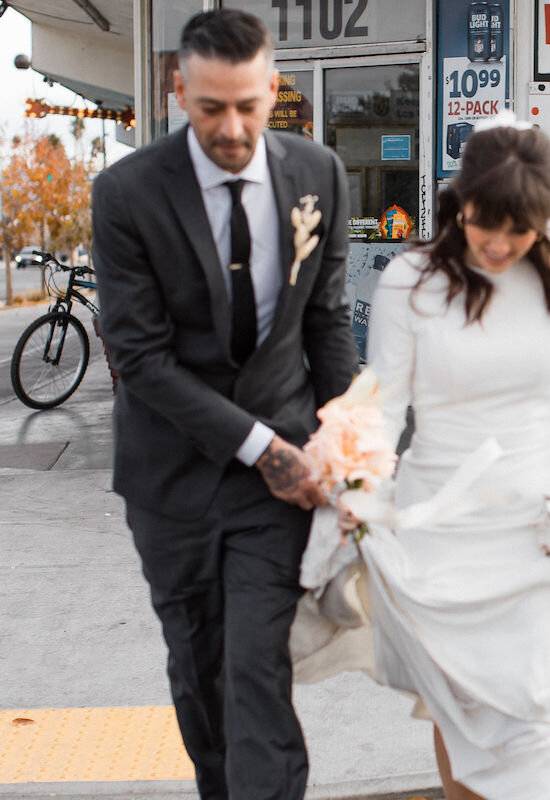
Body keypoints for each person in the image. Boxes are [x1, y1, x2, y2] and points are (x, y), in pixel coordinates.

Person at [329, 117, 550, 800]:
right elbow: (383, 408)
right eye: (483, 223)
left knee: (545, 722)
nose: (499, 244)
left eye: (519, 228)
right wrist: (362, 499)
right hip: (438, 535)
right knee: (463, 712)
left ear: (544, 217)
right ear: (459, 202)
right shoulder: (412, 280)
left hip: (541, 529)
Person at [91, 9, 357, 799]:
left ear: (273, 87)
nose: (233, 127)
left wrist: (341, 441)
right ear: (179, 92)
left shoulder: (320, 175)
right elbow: (139, 357)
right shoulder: (127, 193)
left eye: (248, 105)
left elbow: (326, 322)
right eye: (212, 108)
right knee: (199, 665)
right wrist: (264, 450)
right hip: (171, 477)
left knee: (254, 667)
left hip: (275, 480)